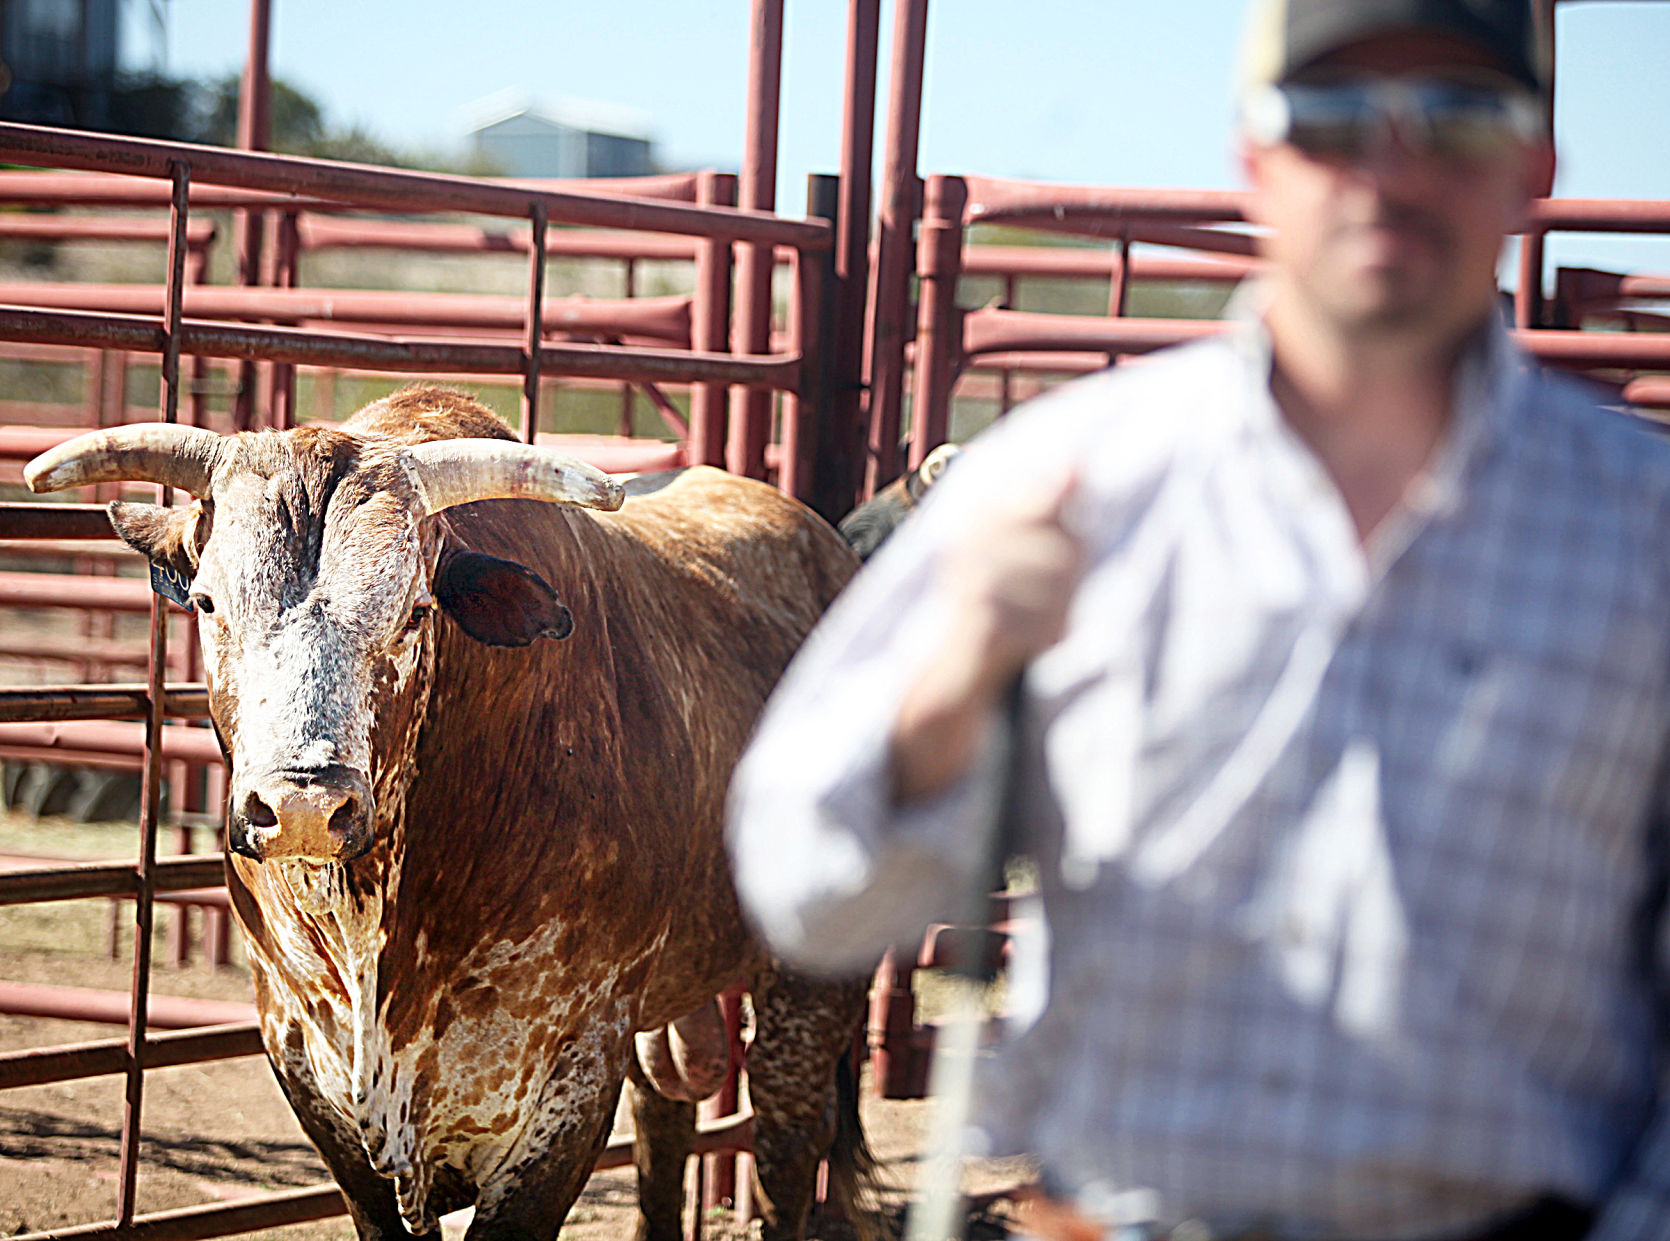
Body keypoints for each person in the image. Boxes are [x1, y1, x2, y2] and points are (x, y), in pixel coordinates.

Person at [726, 1, 1670, 1238]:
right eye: (1328, 120)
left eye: (1454, 115)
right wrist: (951, 680)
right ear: (1252, 162)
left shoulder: (1641, 536)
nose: (1387, 169)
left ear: (1532, 163)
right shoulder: (1061, 482)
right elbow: (802, 897)